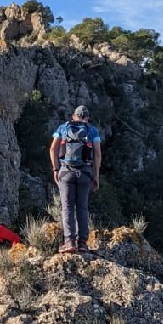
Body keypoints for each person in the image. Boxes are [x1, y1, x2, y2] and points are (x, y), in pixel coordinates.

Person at [49, 105, 102, 255]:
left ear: (73, 116)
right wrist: (96, 175)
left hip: (66, 172)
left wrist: (55, 169)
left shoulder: (63, 128)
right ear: (87, 118)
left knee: (67, 207)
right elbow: (97, 154)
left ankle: (69, 242)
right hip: (85, 173)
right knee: (82, 207)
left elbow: (53, 149)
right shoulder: (92, 131)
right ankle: (82, 243)